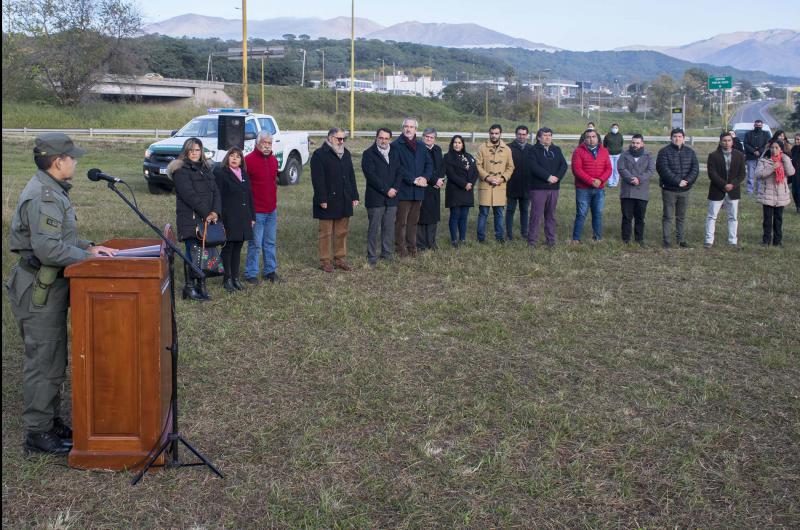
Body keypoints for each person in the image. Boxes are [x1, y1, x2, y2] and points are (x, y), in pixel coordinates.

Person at [7, 133, 117, 454]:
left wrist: (89, 246)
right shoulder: (44, 195)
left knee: (53, 357)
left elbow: (60, 236)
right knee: (44, 359)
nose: (76, 161)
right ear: (58, 162)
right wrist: (88, 258)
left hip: (48, 284)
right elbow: (48, 248)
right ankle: (37, 432)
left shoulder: (53, 189)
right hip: (38, 288)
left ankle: (50, 420)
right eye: (72, 157)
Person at [171, 137, 221, 300]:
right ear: (186, 152)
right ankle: (189, 287)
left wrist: (215, 212)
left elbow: (216, 192)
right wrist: (207, 212)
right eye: (191, 150)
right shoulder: (180, 170)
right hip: (191, 218)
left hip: (207, 217)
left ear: (201, 152)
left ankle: (202, 285)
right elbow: (189, 195)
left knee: (205, 250)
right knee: (192, 252)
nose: (194, 153)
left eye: (197, 150)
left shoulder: (206, 169)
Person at [311, 128, 359, 272]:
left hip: (344, 198)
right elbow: (317, 180)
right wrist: (322, 199)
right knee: (325, 233)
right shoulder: (319, 155)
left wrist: (354, 195)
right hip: (327, 200)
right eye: (339, 138)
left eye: (343, 139)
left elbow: (351, 176)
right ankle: (325, 261)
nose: (342, 141)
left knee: (342, 231)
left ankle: (340, 259)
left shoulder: (346, 153)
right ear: (330, 138)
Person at [214, 147, 255, 292]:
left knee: (238, 248)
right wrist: (220, 219)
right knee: (228, 248)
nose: (234, 158)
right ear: (227, 157)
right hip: (228, 217)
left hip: (244, 217)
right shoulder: (221, 173)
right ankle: (227, 279)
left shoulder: (243, 174)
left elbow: (249, 196)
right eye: (232, 155)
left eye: (238, 156)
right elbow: (217, 197)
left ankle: (236, 278)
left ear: (241, 160)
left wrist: (252, 217)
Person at [393, 117, 433, 258]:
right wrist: (413, 179)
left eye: (411, 127)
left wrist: (425, 178)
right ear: (402, 128)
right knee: (401, 222)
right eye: (406, 126)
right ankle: (400, 249)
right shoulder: (396, 145)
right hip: (404, 190)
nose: (408, 129)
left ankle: (412, 248)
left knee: (413, 222)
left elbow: (429, 164)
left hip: (419, 191)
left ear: (416, 129)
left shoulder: (421, 145)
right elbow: (397, 167)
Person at [244, 132, 281, 284]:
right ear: (257, 144)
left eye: (269, 143)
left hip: (271, 209)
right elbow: (244, 187)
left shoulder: (273, 160)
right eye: (264, 143)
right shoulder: (248, 160)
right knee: (255, 243)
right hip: (256, 211)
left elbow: (274, 182)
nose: (267, 145)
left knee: (270, 242)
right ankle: (251, 273)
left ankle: (270, 271)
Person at [361, 127, 401, 266]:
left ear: (390, 139)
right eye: (381, 138)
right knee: (374, 228)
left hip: (392, 198)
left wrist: (394, 188)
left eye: (386, 138)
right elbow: (371, 176)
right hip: (376, 198)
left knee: (388, 227)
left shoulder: (395, 152)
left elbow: (399, 172)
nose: (383, 140)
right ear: (376, 137)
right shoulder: (368, 154)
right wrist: (386, 190)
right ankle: (371, 256)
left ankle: (387, 253)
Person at [656, 128, 699, 248]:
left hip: (685, 190)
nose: (677, 138)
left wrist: (687, 181)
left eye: (680, 136)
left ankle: (681, 240)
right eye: (675, 136)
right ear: (671, 138)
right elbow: (663, 169)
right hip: (669, 189)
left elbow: (695, 168)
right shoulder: (664, 152)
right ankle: (667, 241)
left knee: (681, 217)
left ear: (684, 138)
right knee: (668, 216)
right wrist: (677, 181)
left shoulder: (690, 152)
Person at [527, 127, 567, 248]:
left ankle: (551, 241)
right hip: (539, 188)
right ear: (539, 137)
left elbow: (563, 165)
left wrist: (556, 178)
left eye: (549, 135)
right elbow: (533, 166)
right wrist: (548, 177)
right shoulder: (533, 150)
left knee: (551, 216)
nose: (548, 137)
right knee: (536, 215)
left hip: (554, 188)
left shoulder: (556, 149)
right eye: (545, 135)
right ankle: (532, 241)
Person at [704, 131, 746, 248]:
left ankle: (732, 241)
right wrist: (724, 185)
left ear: (732, 142)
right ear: (720, 142)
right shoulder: (713, 156)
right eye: (724, 141)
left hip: (733, 190)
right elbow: (712, 174)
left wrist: (732, 184)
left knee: (733, 217)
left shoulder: (739, 155)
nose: (726, 143)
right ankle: (708, 240)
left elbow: (742, 174)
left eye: (729, 140)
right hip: (717, 190)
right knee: (712, 216)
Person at [570, 128, 611, 243]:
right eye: (588, 137)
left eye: (593, 137)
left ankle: (597, 238)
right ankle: (576, 239)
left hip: (599, 189)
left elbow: (608, 168)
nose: (591, 139)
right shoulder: (578, 151)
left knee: (597, 213)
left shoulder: (604, 151)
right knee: (581, 214)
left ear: (597, 138)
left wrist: (600, 180)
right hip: (583, 189)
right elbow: (576, 170)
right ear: (585, 138)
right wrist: (590, 181)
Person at [476, 124, 514, 243]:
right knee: (483, 213)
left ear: (500, 134)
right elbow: (478, 165)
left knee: (499, 214)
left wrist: (502, 178)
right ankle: (481, 238)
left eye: (496, 133)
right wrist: (487, 178)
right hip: (486, 186)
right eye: (492, 133)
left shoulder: (507, 149)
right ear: (489, 133)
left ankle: (499, 237)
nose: (494, 135)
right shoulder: (482, 148)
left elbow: (510, 167)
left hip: (500, 186)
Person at [617, 134, 655, 246]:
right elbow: (621, 168)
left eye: (637, 143)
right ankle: (626, 239)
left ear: (642, 143)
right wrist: (631, 178)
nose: (635, 145)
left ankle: (639, 239)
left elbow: (651, 170)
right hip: (627, 191)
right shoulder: (624, 155)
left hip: (642, 191)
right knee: (627, 217)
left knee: (640, 217)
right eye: (633, 142)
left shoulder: (648, 155)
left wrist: (639, 179)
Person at [755, 140, 794, 246]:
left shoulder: (785, 159)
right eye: (772, 147)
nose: (774, 150)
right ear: (769, 148)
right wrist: (773, 167)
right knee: (767, 220)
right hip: (767, 193)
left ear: (781, 149)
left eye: (777, 147)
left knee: (778, 219)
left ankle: (777, 241)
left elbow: (791, 172)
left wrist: (785, 159)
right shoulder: (764, 160)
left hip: (781, 194)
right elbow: (758, 174)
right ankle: (766, 240)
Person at [444, 135, 478, 247]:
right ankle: (454, 240)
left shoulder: (469, 156)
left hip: (467, 191)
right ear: (452, 144)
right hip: (455, 190)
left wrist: (471, 184)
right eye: (455, 142)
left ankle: (462, 239)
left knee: (464, 216)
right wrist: (464, 184)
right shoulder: (448, 157)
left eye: (459, 142)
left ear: (463, 144)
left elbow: (475, 172)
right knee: (455, 215)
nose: (457, 144)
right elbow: (451, 174)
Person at [417, 128, 445, 251]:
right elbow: (421, 168)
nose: (428, 139)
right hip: (424, 186)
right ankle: (421, 244)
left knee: (433, 216)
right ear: (422, 137)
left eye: (431, 137)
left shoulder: (438, 149)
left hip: (435, 188)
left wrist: (440, 180)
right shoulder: (419, 149)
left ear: (435, 138)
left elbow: (441, 167)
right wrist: (434, 180)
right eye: (426, 136)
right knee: (422, 216)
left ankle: (431, 242)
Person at [505, 125, 532, 241]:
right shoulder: (508, 148)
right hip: (512, 185)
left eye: (524, 134)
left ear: (527, 135)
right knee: (510, 210)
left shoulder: (532, 149)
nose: (521, 136)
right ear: (516, 135)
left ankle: (524, 233)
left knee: (525, 211)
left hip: (526, 185)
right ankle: (509, 234)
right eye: (519, 134)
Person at [744, 119, 771, 195]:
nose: (758, 126)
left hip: (762, 157)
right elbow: (745, 144)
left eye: (759, 125)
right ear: (754, 125)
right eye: (756, 125)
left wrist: (760, 151)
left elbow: (768, 144)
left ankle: (759, 191)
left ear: (762, 126)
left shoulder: (766, 134)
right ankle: (750, 191)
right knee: (750, 175)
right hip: (751, 157)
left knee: (760, 175)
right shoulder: (748, 134)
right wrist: (753, 151)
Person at [603, 123, 624, 188]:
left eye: (616, 127)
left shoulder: (620, 135)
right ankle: (610, 183)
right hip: (609, 155)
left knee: (616, 169)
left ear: (618, 128)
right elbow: (604, 144)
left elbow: (621, 143)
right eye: (614, 127)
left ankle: (615, 183)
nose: (615, 129)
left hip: (618, 154)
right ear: (611, 128)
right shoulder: (608, 135)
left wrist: (618, 149)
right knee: (610, 168)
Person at [791, 132, 800, 213]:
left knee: (798, 190)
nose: (796, 141)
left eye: (798, 139)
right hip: (794, 172)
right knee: (794, 191)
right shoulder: (794, 148)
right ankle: (797, 206)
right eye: (795, 139)